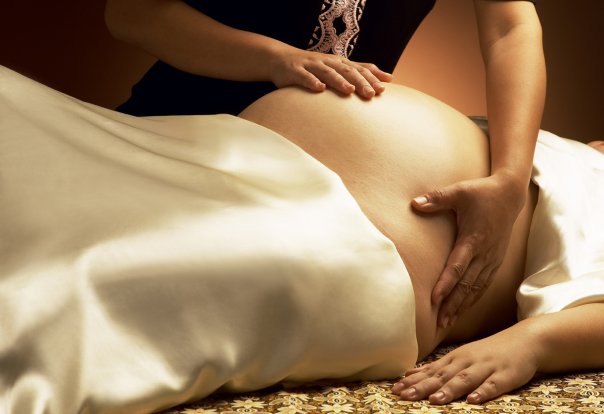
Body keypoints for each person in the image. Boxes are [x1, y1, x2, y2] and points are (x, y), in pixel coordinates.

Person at [1, 66, 602, 413]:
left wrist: (534, 344)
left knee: (67, 299)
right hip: (234, 155)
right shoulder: (562, 150)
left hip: (349, 245)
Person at [104, 0, 546, 329]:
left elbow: (511, 29)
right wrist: (276, 58)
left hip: (318, 177)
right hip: (172, 143)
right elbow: (131, 13)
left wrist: (510, 179)